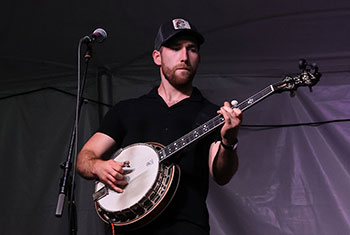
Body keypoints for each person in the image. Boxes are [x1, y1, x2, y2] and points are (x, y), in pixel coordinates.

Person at [77, 18, 242, 235]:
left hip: (186, 227)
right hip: (129, 227)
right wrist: (99, 167)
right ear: (157, 57)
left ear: (198, 59)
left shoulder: (212, 114)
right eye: (175, 48)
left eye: (191, 49)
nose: (184, 57)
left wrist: (228, 142)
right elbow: (84, 158)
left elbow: (221, 175)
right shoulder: (127, 110)